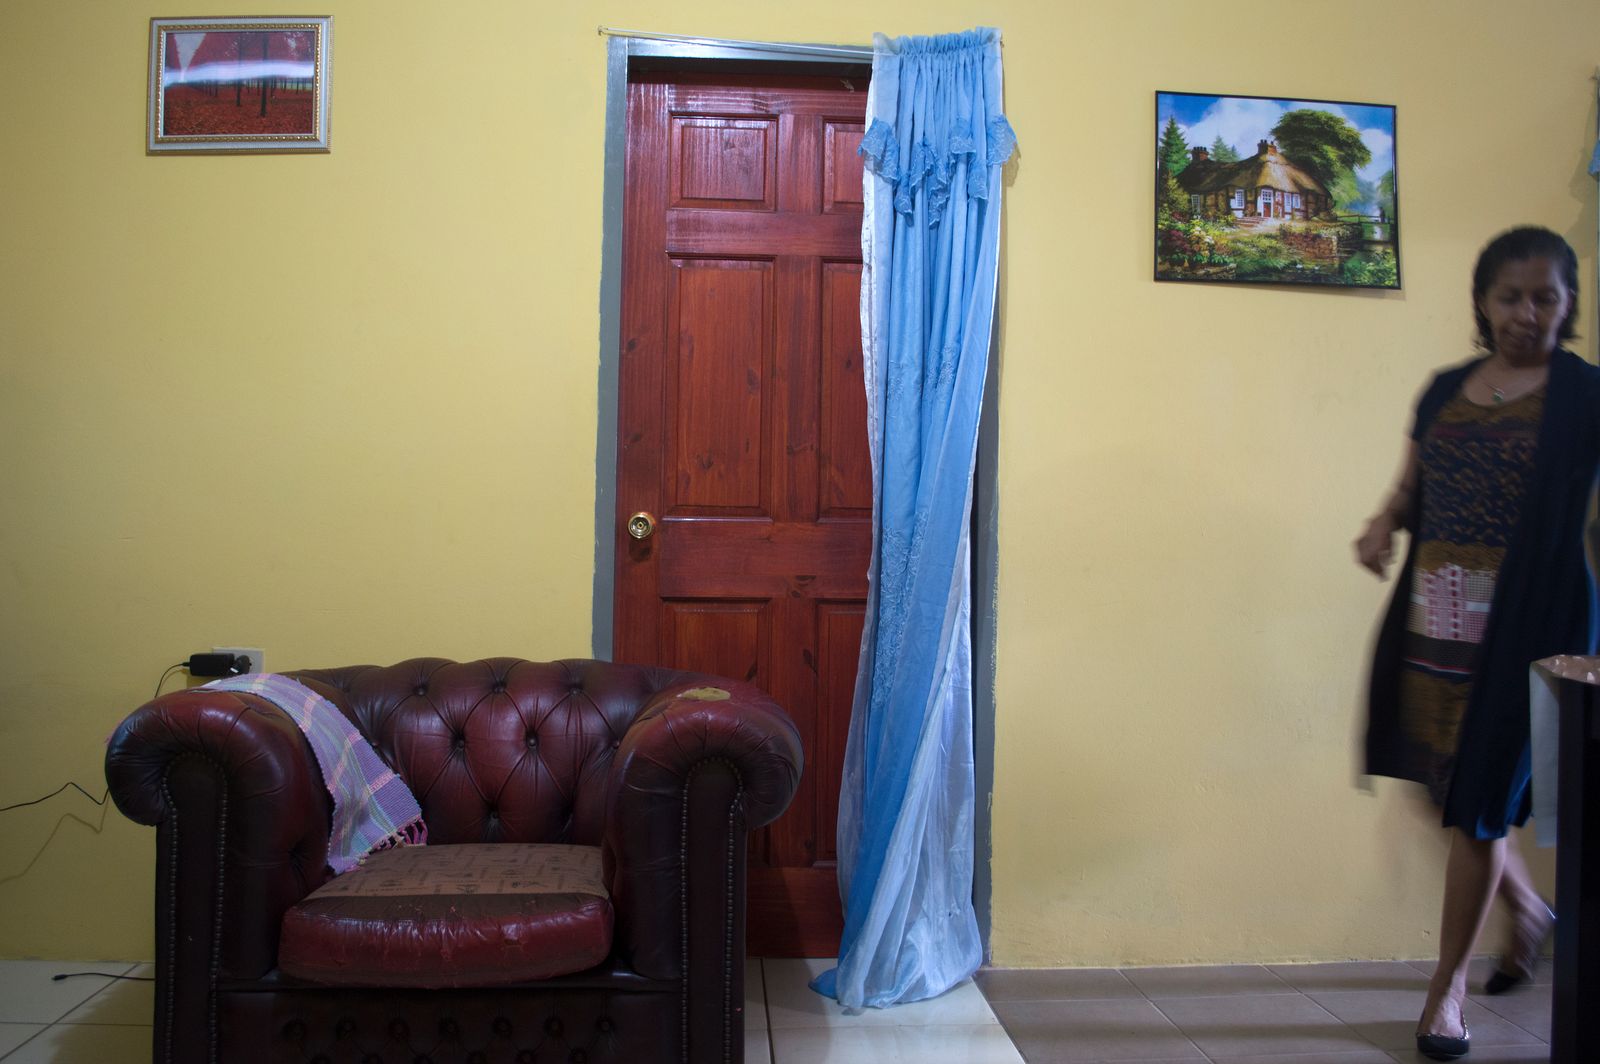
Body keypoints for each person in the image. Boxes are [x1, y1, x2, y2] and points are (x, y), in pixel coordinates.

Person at [1355, 225, 1600, 1061]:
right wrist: (1385, 521)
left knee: (1481, 805)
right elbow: (1411, 481)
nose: (1525, 312)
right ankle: (1528, 914)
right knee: (1438, 787)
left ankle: (1446, 995)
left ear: (1567, 305)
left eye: (1545, 296)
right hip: (1437, 616)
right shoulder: (1447, 387)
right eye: (1509, 295)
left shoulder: (1584, 395)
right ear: (1482, 301)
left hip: (1530, 625)